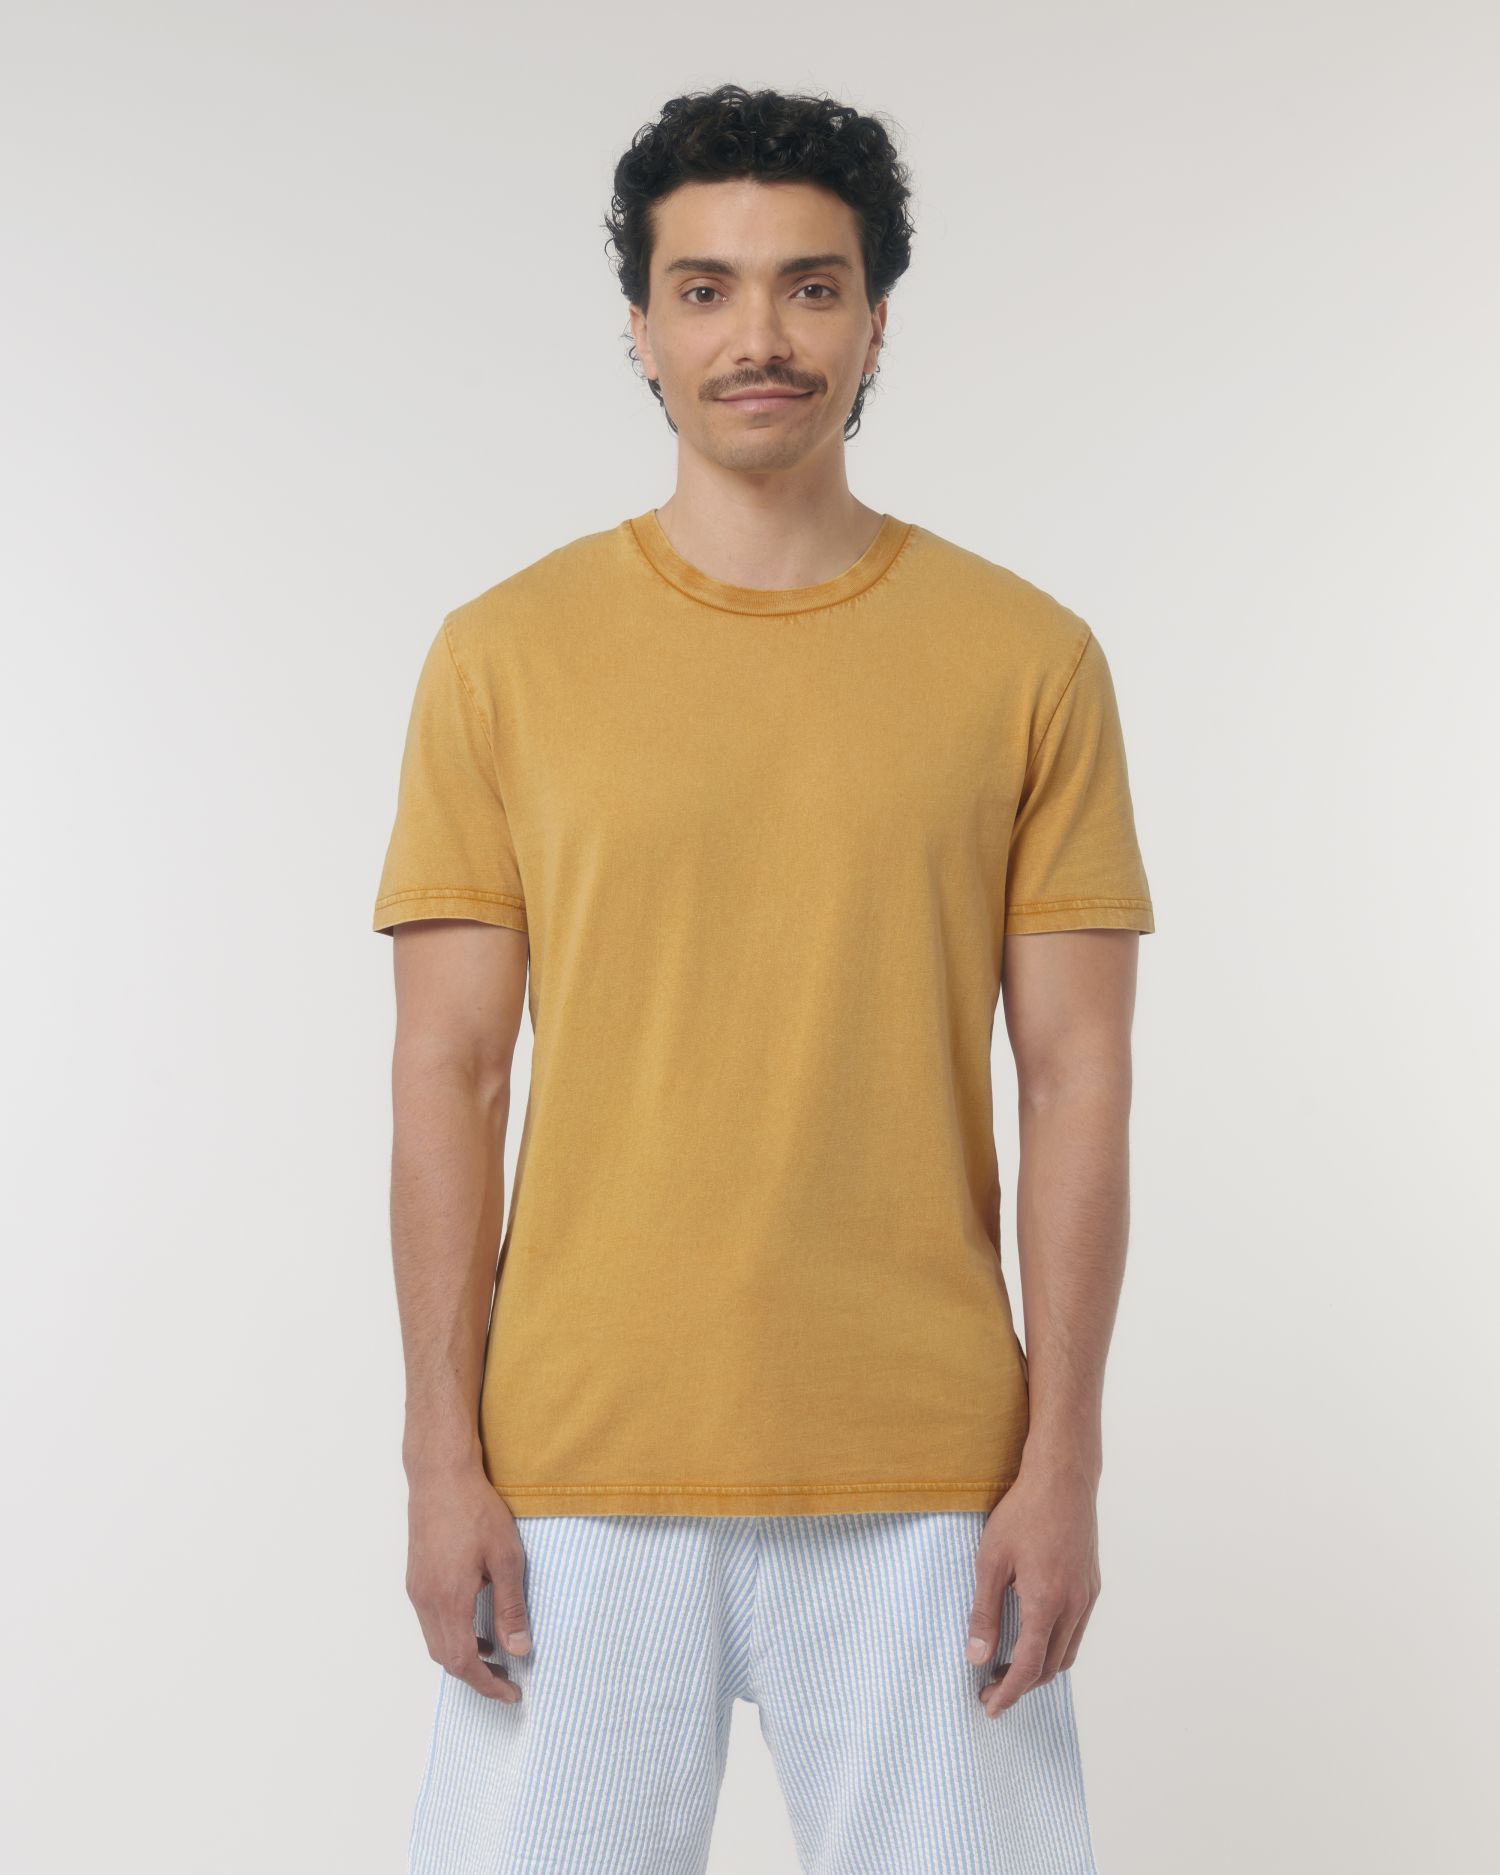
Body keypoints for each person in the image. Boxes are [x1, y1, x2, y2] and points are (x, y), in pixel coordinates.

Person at [373, 82, 1155, 1875]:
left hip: (929, 1466)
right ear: (640, 326)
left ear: (878, 320)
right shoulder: (503, 657)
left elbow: (1077, 1078)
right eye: (707, 288)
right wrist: (438, 1461)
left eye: (812, 286)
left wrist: (1064, 1464)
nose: (761, 337)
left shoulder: (1027, 660)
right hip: (574, 1461)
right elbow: (449, 1073)